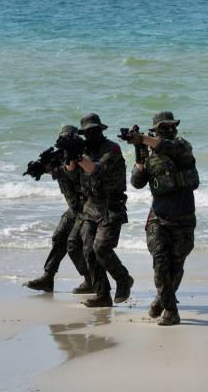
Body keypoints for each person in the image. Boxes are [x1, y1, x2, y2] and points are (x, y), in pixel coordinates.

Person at [128, 112, 198, 326]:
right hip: (158, 219)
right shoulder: (150, 156)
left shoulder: (182, 146)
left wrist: (143, 139)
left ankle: (162, 300)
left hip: (183, 219)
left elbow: (170, 147)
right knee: (160, 264)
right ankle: (171, 311)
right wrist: (140, 160)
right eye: (164, 126)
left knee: (175, 268)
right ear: (155, 129)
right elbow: (137, 183)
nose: (170, 129)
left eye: (172, 125)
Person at [67, 113, 133, 308]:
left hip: (111, 206)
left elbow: (98, 168)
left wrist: (79, 156)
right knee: (87, 250)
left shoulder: (112, 148)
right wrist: (70, 152)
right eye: (88, 131)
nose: (92, 133)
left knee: (101, 248)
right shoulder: (83, 149)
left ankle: (123, 279)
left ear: (101, 130)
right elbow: (70, 170)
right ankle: (103, 295)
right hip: (91, 207)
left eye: (95, 130)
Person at [23, 125, 93, 294]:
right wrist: (39, 166)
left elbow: (70, 172)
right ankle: (48, 277)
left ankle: (90, 279)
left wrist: (49, 170)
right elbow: (54, 166)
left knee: (73, 244)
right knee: (58, 237)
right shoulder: (60, 156)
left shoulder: (82, 156)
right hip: (74, 208)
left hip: (87, 208)